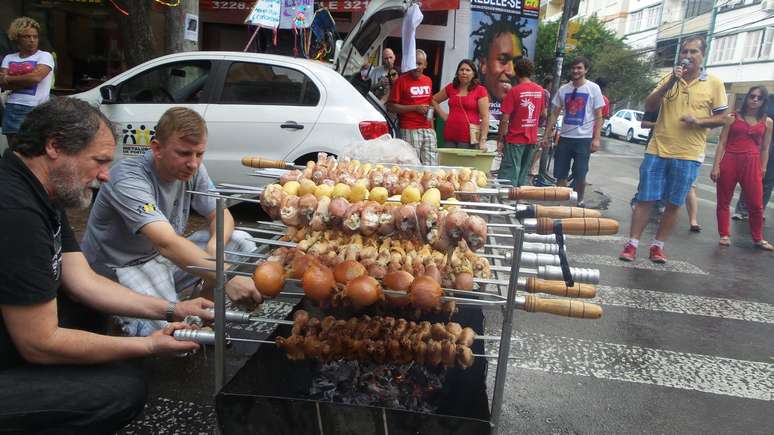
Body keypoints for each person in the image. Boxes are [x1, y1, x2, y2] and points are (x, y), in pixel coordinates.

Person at [0, 98, 211, 433]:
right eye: (98, 161)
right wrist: (148, 344)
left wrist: (173, 308)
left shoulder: (43, 192)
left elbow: (85, 281)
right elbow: (39, 342)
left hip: (20, 337)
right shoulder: (15, 210)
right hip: (20, 349)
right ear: (54, 146)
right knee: (122, 391)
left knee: (87, 308)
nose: (104, 175)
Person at [81, 107, 263, 337]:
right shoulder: (128, 178)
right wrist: (226, 276)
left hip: (161, 257)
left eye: (200, 154)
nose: (194, 163)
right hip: (122, 267)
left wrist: (216, 245)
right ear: (157, 148)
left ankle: (203, 313)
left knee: (239, 241)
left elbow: (221, 214)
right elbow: (166, 243)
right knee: (174, 336)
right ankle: (129, 318)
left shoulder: (192, 169)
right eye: (184, 153)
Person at [619, 36, 728, 263]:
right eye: (685, 52)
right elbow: (649, 105)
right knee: (645, 199)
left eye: (693, 52)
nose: (688, 56)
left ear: (702, 56)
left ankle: (658, 246)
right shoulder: (669, 78)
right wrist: (670, 83)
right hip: (657, 149)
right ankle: (632, 244)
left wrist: (698, 121)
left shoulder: (714, 83)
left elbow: (723, 118)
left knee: (674, 202)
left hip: (688, 154)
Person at [711, 86, 773, 250]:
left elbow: (765, 148)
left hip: (753, 163)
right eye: (752, 96)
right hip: (730, 160)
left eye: (759, 98)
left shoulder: (767, 122)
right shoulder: (732, 118)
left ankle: (758, 238)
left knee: (756, 204)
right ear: (746, 98)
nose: (754, 100)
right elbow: (722, 143)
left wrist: (763, 168)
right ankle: (724, 234)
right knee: (723, 200)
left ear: (763, 101)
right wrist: (716, 165)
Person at [542, 57, 605, 205]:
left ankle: (579, 201)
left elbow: (598, 115)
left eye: (579, 68)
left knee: (580, 174)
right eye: (573, 68)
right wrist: (546, 135)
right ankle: (560, 202)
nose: (576, 71)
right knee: (560, 173)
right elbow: (554, 114)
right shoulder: (564, 89)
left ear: (586, 70)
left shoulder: (593, 88)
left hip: (583, 139)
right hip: (564, 138)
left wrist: (596, 139)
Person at [0, 17, 54, 147]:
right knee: (14, 149)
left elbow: (35, 78)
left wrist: (9, 79)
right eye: (27, 36)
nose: (32, 40)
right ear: (17, 38)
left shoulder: (44, 56)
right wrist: (25, 79)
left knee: (31, 150)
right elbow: (2, 82)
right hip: (12, 107)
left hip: (35, 109)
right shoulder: (9, 58)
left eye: (35, 36)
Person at [497, 58, 546, 186]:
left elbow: (505, 119)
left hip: (515, 139)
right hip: (531, 139)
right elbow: (543, 114)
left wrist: (501, 139)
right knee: (524, 172)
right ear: (531, 72)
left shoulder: (514, 91)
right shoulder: (540, 91)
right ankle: (519, 201)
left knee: (510, 173)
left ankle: (508, 202)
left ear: (516, 72)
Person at [387, 49, 438, 165]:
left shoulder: (428, 80)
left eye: (420, 64)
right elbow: (390, 106)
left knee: (431, 166)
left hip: (428, 129)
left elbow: (430, 105)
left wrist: (432, 129)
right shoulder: (401, 81)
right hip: (409, 128)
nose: (416, 67)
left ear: (425, 65)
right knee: (411, 166)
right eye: (414, 63)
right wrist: (415, 108)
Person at [472, 20, 526, 120]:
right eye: (502, 60)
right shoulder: (471, 105)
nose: (511, 71)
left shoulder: (518, 110)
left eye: (516, 62)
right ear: (484, 64)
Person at [432, 59, 489, 150]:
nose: (464, 72)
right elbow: (433, 100)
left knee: (465, 164)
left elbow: (485, 116)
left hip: (469, 138)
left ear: (474, 74)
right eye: (461, 70)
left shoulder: (480, 90)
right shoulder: (451, 88)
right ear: (457, 72)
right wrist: (443, 115)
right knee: (448, 163)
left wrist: (483, 140)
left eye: (467, 70)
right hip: (450, 136)